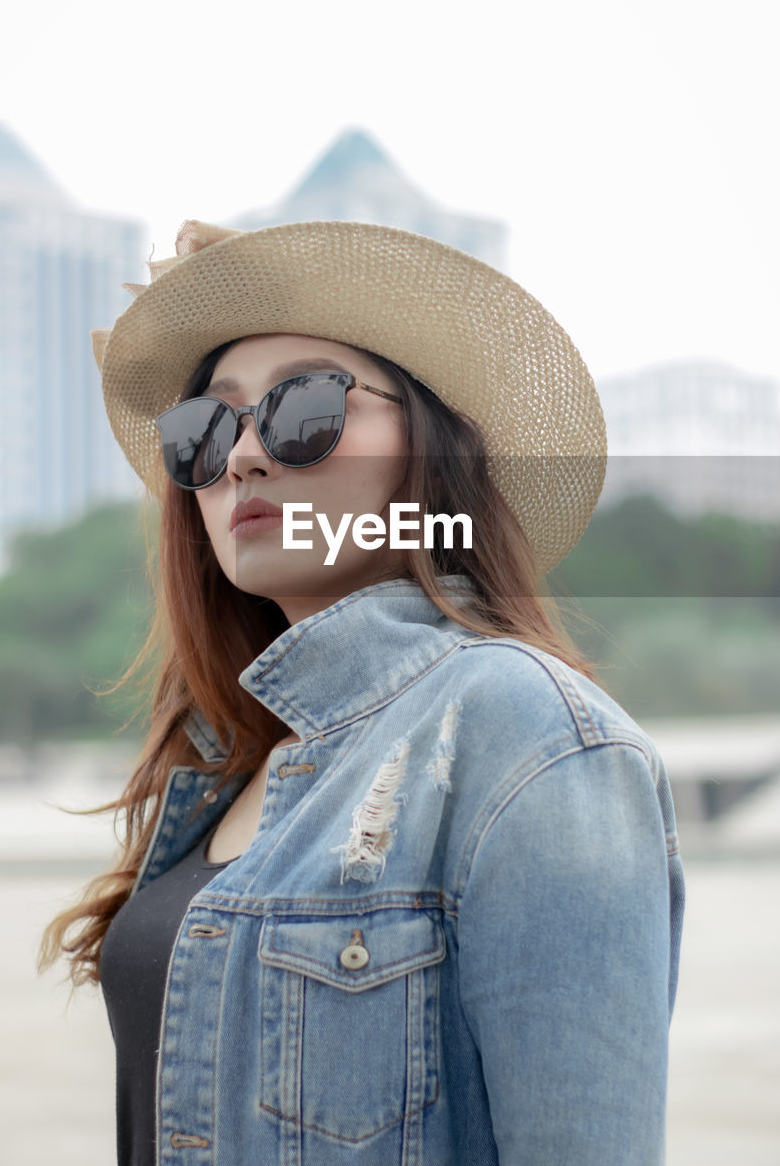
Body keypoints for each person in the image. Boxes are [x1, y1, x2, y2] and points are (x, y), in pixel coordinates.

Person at [40, 218, 684, 1165]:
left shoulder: (528, 738)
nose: (244, 459)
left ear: (428, 452)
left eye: (302, 409)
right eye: (204, 430)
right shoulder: (228, 763)